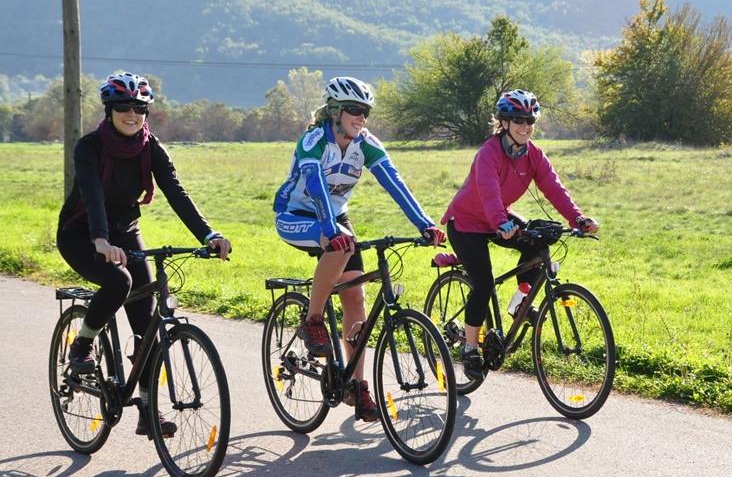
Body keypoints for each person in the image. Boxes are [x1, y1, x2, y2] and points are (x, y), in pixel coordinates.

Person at [58, 71, 232, 438]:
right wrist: (102, 241)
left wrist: (209, 234)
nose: (132, 114)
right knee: (118, 281)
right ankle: (84, 342)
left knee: (147, 327)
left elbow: (177, 194)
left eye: (139, 107)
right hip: (82, 235)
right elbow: (92, 194)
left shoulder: (151, 148)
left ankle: (146, 412)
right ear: (109, 109)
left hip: (127, 232)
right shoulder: (89, 147)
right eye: (123, 106)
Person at [273, 76, 445, 422]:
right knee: (337, 247)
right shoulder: (314, 140)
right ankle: (313, 319)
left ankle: (357, 384)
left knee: (356, 298)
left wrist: (424, 223)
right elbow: (317, 187)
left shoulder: (364, 143)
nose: (361, 117)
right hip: (297, 216)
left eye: (365, 112)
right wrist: (328, 229)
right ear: (335, 111)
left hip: (336, 219)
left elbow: (394, 182)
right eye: (354, 110)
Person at [440, 89, 600, 381]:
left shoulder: (534, 154)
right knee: (484, 282)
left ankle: (519, 303)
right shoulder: (489, 152)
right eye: (518, 121)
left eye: (529, 121)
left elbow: (554, 188)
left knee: (540, 236)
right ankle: (471, 349)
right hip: (466, 223)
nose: (525, 126)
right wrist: (501, 222)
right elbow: (488, 192)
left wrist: (577, 218)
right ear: (504, 123)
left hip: (499, 218)